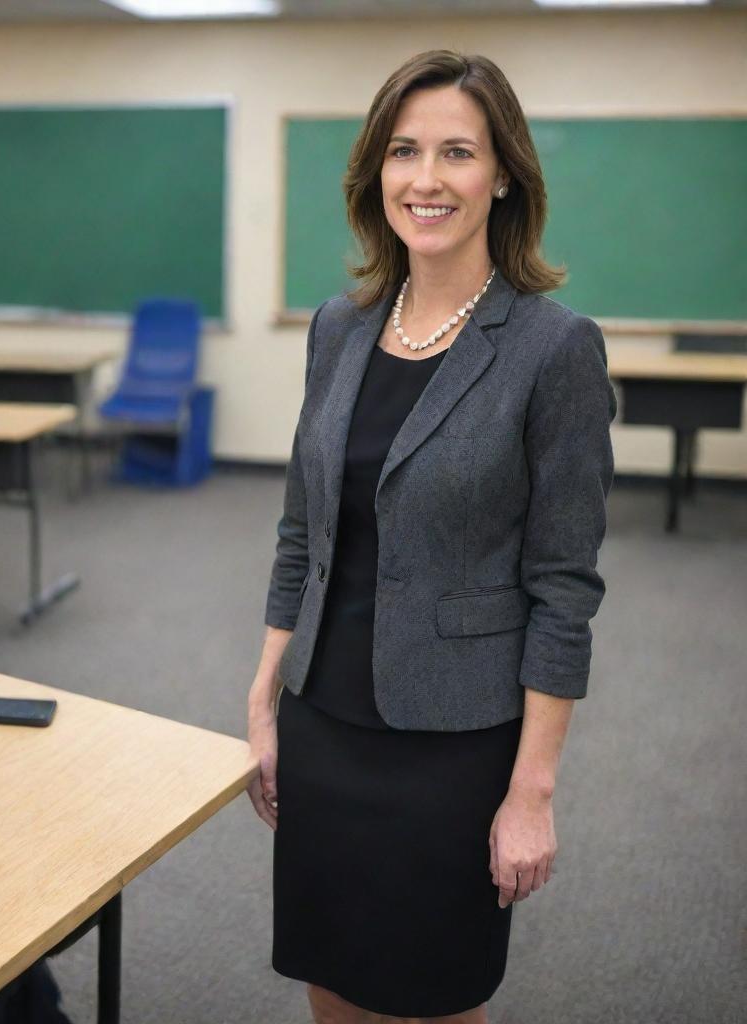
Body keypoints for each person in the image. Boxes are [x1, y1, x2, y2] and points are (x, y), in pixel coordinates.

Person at [247, 50, 617, 1024]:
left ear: (502, 174)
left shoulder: (551, 348)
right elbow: (301, 530)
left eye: (457, 151)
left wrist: (529, 792)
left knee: (432, 993)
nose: (426, 177)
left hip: (451, 746)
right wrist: (264, 697)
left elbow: (563, 586)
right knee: (330, 976)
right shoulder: (341, 325)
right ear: (377, 172)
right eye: (404, 151)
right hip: (323, 720)